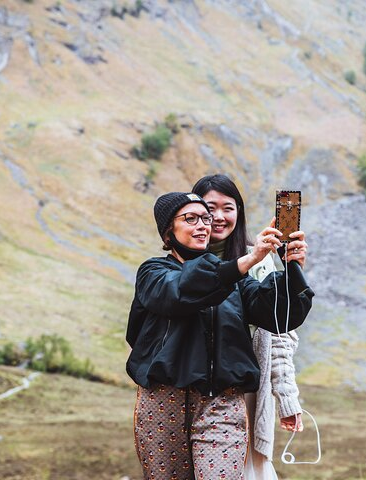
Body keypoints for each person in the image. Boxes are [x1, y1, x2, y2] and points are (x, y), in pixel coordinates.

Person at [127, 191, 313, 480]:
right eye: (191, 218)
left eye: (206, 218)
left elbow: (277, 315)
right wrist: (248, 260)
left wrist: (291, 267)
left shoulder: (235, 282)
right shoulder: (153, 272)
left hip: (222, 405)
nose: (203, 225)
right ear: (168, 231)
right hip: (164, 402)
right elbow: (180, 292)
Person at [192, 175, 306, 480]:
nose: (218, 217)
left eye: (227, 208)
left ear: (239, 213)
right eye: (208, 207)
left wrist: (286, 396)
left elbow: (279, 333)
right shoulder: (177, 262)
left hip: (245, 391)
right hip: (189, 389)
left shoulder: (259, 260)